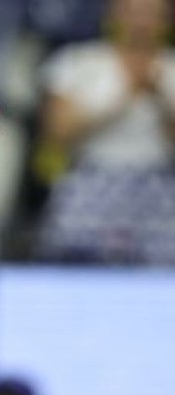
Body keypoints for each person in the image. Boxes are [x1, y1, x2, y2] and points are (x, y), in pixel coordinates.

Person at [33, 0, 175, 264]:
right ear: (113, 14)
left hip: (161, 186)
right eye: (133, 11)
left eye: (152, 13)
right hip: (90, 181)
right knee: (73, 268)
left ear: (168, 19)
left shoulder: (171, 67)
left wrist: (161, 99)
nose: (141, 22)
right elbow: (57, 133)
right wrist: (123, 96)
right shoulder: (78, 61)